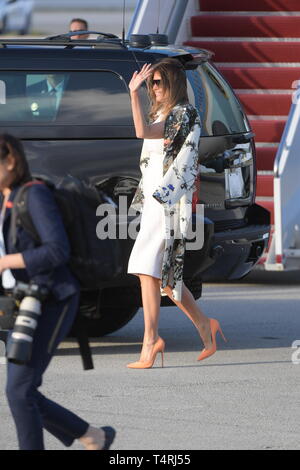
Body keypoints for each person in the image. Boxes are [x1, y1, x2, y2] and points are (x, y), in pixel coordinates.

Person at [0, 134, 116, 450]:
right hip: (26, 301)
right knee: (21, 390)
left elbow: (57, 251)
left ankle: (93, 436)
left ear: (10, 160)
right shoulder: (8, 198)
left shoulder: (34, 195)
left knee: (20, 391)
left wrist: (5, 261)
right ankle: (94, 436)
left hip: (54, 299)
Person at [127, 58, 226, 369]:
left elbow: (142, 132)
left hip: (167, 202)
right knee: (165, 279)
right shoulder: (165, 113)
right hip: (156, 201)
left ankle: (151, 340)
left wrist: (133, 93)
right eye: (149, 84)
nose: (152, 89)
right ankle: (203, 326)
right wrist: (138, 94)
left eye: (157, 83)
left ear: (172, 84)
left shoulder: (184, 115)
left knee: (148, 268)